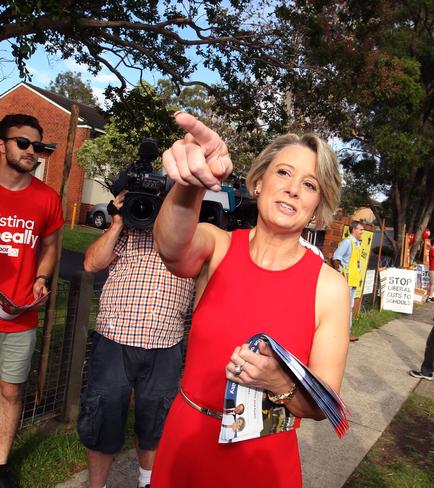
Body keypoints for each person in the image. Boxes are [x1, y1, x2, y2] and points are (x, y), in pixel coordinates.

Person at [150, 113, 350, 487]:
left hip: (262, 464)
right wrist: (193, 183)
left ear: (318, 207)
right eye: (284, 173)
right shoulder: (218, 245)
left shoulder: (330, 287)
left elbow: (324, 405)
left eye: (310, 184)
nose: (293, 189)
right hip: (187, 442)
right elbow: (171, 247)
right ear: (258, 182)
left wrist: (279, 382)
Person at [77, 189, 194, 488]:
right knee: (103, 416)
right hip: (115, 339)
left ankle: (147, 483)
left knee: (156, 422)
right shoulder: (130, 229)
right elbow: (91, 263)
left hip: (166, 343)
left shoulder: (190, 237)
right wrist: (117, 222)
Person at [0, 114, 63, 488]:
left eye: (37, 146)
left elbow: (52, 246)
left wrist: (40, 277)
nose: (32, 151)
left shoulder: (47, 198)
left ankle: (2, 464)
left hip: (19, 314)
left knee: (11, 390)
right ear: (2, 144)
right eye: (23, 143)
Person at [331, 220, 364, 341]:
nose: (362, 232)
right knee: (345, 308)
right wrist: (340, 275)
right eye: (361, 229)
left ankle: (345, 333)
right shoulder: (347, 242)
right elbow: (336, 258)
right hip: (347, 280)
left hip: (353, 280)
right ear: (354, 229)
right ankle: (344, 334)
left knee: (348, 307)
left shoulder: (356, 243)